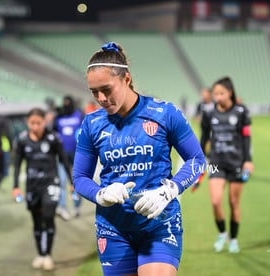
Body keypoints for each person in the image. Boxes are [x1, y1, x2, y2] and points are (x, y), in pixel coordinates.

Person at [72, 42, 205, 276]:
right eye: (94, 92)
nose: (101, 98)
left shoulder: (165, 113)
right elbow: (80, 177)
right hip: (112, 229)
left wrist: (169, 191)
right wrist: (100, 194)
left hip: (160, 224)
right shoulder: (91, 124)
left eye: (106, 89)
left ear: (126, 78)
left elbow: (197, 160)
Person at [13, 107, 73, 271]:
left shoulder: (53, 137)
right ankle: (40, 254)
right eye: (32, 123)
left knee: (48, 216)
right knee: (36, 221)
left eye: (38, 123)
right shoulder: (22, 139)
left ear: (44, 122)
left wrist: (71, 181)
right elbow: (17, 164)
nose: (35, 126)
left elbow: (64, 161)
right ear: (27, 123)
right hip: (32, 186)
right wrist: (16, 187)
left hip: (51, 183)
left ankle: (48, 255)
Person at [200, 76, 253, 254]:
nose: (217, 97)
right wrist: (199, 159)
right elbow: (204, 138)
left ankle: (234, 239)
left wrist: (248, 160)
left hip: (237, 162)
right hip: (216, 162)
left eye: (221, 93)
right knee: (215, 201)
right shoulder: (208, 113)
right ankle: (222, 233)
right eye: (215, 93)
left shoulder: (241, 111)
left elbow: (246, 138)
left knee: (233, 202)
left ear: (229, 93)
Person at [53, 95, 84, 219]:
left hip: (77, 154)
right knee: (61, 182)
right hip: (62, 154)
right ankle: (63, 207)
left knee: (76, 182)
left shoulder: (79, 115)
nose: (66, 105)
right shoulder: (59, 117)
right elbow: (53, 132)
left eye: (68, 102)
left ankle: (76, 206)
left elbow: (85, 131)